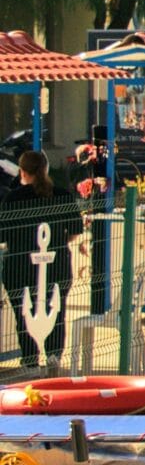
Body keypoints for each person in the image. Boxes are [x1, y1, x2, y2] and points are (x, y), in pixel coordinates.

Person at [5, 152, 77, 368]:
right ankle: (54, 357)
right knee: (57, 310)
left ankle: (30, 360)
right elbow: (74, 231)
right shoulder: (63, 196)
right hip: (57, 264)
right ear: (46, 170)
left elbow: (3, 234)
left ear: (22, 172)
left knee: (23, 312)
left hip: (20, 267)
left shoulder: (13, 198)